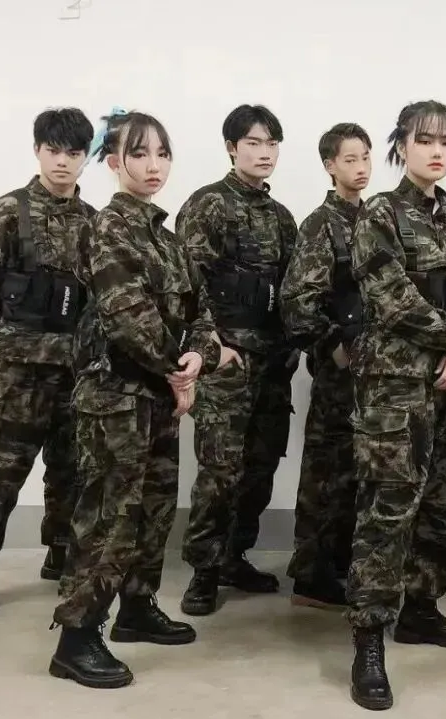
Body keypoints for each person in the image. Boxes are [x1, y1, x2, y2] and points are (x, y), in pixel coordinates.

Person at [49, 110, 222, 689]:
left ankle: (137, 608)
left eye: (162, 154)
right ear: (114, 161)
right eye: (140, 154)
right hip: (115, 398)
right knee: (108, 516)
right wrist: (178, 371)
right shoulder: (107, 229)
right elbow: (129, 316)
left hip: (158, 398)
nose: (154, 166)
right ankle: (76, 638)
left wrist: (197, 355)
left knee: (153, 508)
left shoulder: (167, 240)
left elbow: (202, 312)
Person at [346, 100, 446, 711]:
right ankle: (368, 641)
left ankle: (422, 608)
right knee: (388, 510)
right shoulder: (380, 212)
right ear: (401, 146)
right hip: (396, 388)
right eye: (424, 140)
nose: (437, 151)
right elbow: (387, 293)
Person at [0, 108, 96, 623]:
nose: (63, 162)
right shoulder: (9, 213)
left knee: (73, 472)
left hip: (74, 373)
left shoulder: (94, 221)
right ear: (37, 150)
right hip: (17, 374)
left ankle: (61, 552)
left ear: (86, 158)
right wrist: (3, 341)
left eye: (74, 153)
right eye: (54, 150)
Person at [177, 104, 299, 616]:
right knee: (220, 472)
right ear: (231, 148)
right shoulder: (208, 205)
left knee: (260, 467)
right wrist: (213, 346)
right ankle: (203, 571)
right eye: (253, 142)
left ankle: (234, 555)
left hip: (272, 362)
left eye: (271, 143)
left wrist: (291, 346)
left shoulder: (282, 217)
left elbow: (293, 289)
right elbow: (187, 285)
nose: (264, 152)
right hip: (227, 361)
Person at [281, 122, 373, 609]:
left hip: (378, 372)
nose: (360, 167)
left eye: (365, 157)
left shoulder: (379, 218)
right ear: (330, 166)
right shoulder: (321, 224)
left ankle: (341, 562)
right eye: (349, 159)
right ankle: (311, 573)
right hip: (340, 373)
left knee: (362, 472)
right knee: (327, 472)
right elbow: (298, 300)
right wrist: (333, 345)